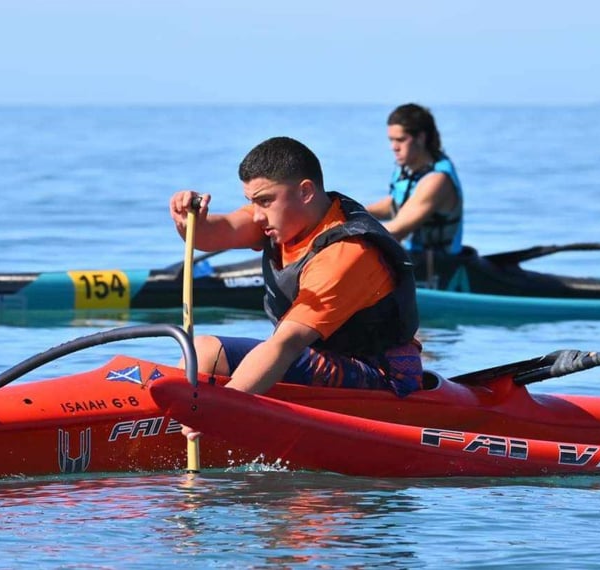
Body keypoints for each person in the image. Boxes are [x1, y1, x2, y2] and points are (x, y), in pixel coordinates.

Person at [169, 137, 423, 420]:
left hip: (383, 379)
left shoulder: (346, 254)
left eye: (265, 201)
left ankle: (184, 424)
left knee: (205, 353)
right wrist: (190, 221)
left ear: (305, 192)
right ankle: (173, 420)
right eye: (252, 203)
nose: (256, 216)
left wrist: (218, 413)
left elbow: (285, 344)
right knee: (201, 354)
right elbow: (217, 232)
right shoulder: (285, 220)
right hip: (315, 355)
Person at [366, 103, 464, 257]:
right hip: (412, 260)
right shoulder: (408, 170)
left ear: (421, 138)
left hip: (438, 269)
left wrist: (345, 232)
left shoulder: (437, 181)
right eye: (391, 140)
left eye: (400, 140)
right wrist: (354, 213)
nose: (394, 147)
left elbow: (396, 231)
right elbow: (396, 203)